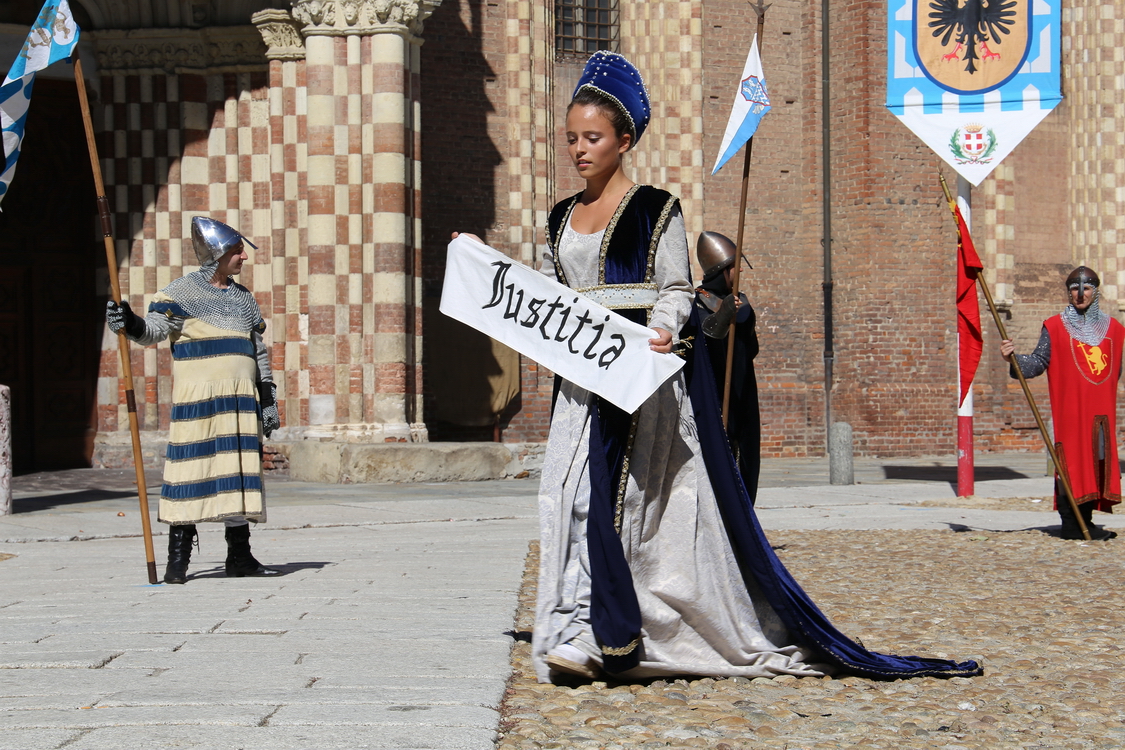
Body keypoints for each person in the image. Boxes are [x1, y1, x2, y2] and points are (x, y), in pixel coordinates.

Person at [527, 51, 980, 683]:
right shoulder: (557, 218)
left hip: (639, 374)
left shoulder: (657, 209)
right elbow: (546, 293)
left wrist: (661, 328)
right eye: (571, 138)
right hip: (580, 382)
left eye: (592, 137)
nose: (578, 148)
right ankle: (584, 621)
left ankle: (601, 631)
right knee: (570, 497)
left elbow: (676, 289)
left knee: (623, 499)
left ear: (624, 140)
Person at [106, 217, 282, 583]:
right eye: (237, 251)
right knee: (190, 471)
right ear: (218, 254)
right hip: (198, 401)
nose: (243, 258)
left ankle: (240, 556)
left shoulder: (243, 298)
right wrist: (130, 321)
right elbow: (152, 332)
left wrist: (267, 398)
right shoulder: (179, 294)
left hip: (239, 400)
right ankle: (178, 559)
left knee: (237, 474)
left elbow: (258, 351)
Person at [1000, 266, 1121, 541]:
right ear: (1068, 293)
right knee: (1070, 462)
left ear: (1096, 291)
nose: (1080, 294)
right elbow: (1037, 363)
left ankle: (1086, 521)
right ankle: (1070, 523)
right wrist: (1013, 358)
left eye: (1086, 288)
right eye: (1074, 289)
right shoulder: (1054, 326)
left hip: (1100, 411)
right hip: (1070, 409)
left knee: (1095, 462)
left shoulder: (1114, 329)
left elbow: (1115, 372)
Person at [694, 231, 760, 499]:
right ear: (721, 270)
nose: (740, 269)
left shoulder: (742, 303)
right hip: (714, 393)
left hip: (743, 393)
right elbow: (708, 337)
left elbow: (751, 348)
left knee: (747, 460)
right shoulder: (698, 304)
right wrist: (722, 317)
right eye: (734, 265)